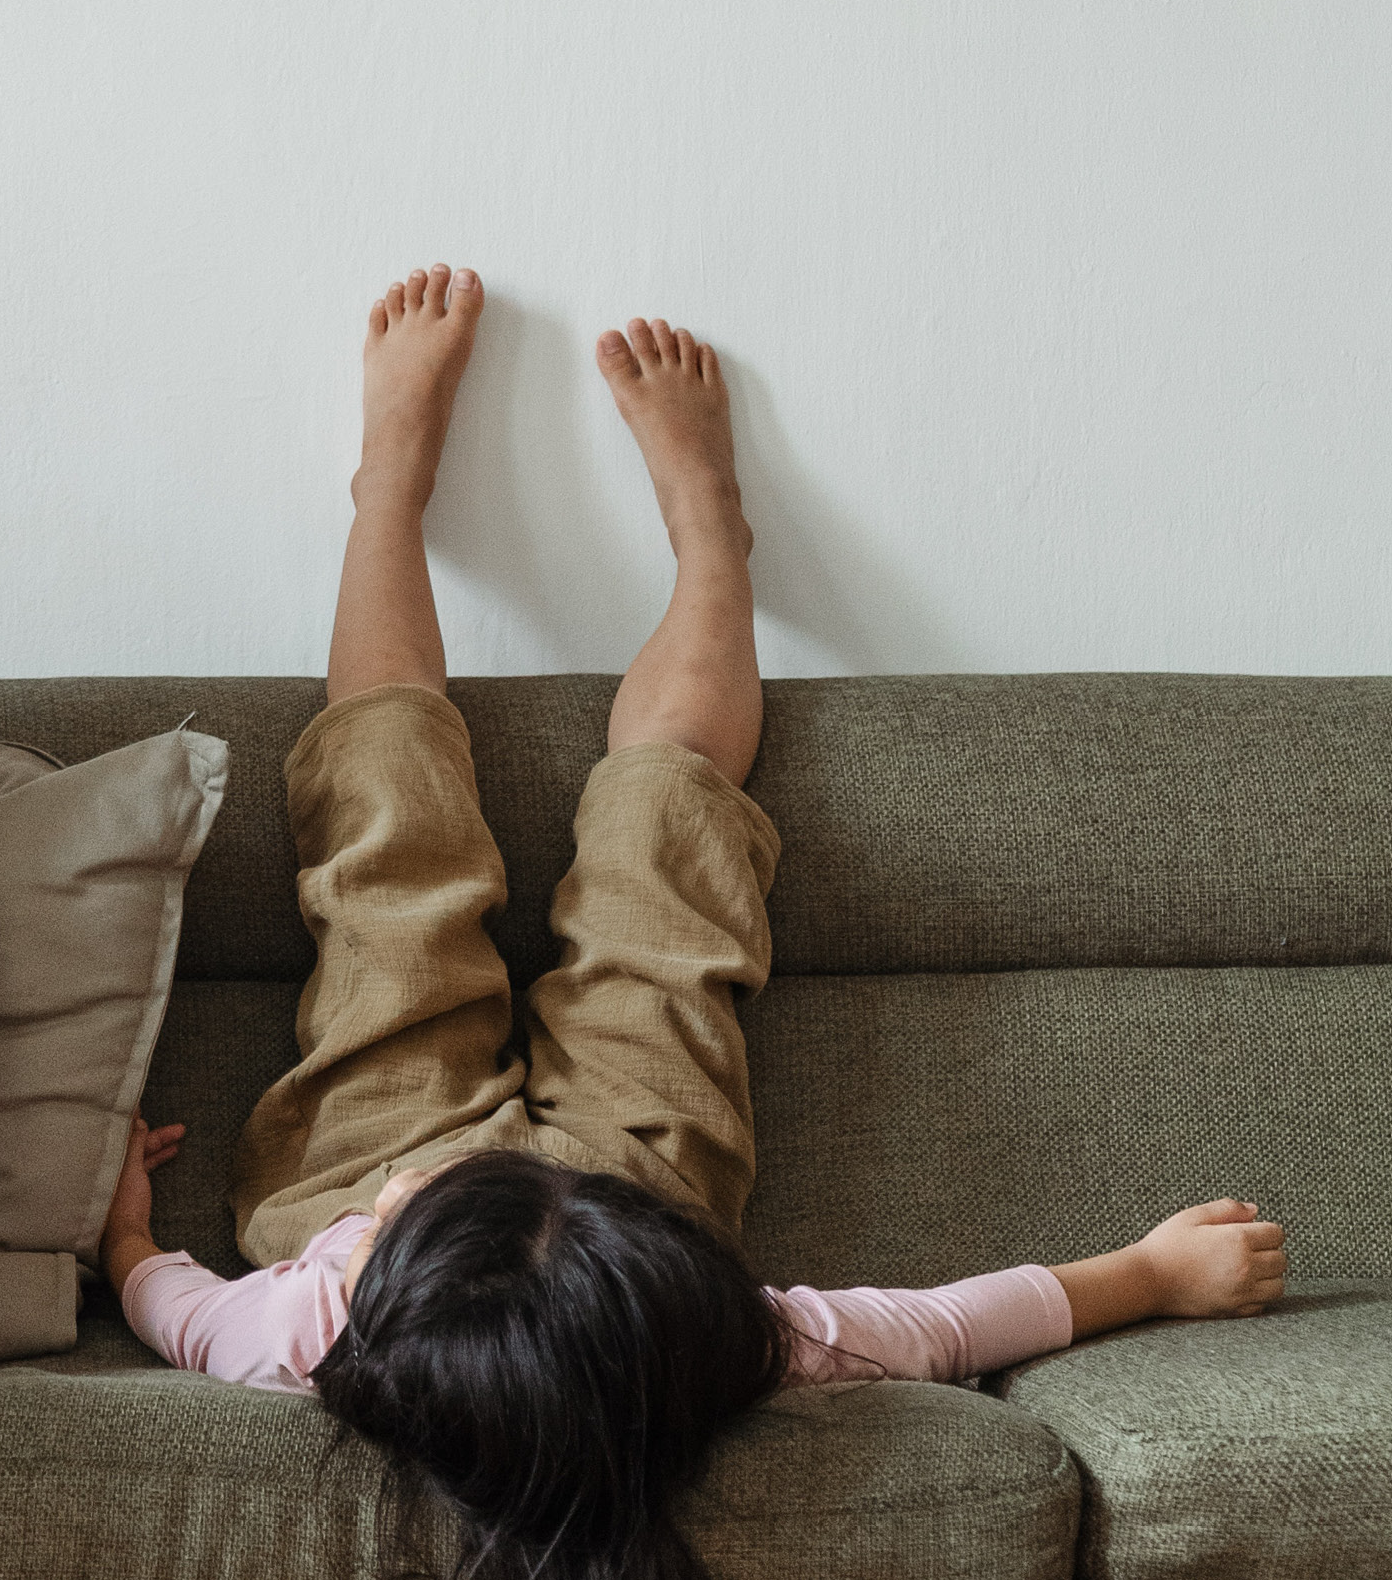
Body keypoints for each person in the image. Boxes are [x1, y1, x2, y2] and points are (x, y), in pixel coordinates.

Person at [98, 266, 1290, 1580]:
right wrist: (1152, 1274)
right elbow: (945, 1326)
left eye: (407, 1214)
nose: (414, 1186)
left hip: (355, 1169)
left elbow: (182, 1312)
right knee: (671, 833)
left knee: (385, 837)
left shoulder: (309, 1327)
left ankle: (386, 491)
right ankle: (715, 541)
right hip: (634, 1188)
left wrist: (127, 1232)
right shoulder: (701, 1336)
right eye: (408, 1209)